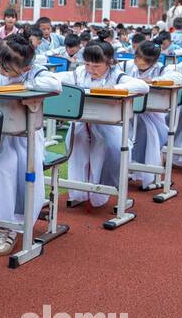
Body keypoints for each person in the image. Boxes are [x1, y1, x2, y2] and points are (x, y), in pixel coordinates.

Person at [0, 33, 62, 254]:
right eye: (0, 66)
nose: (1, 72)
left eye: (7, 69)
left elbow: (55, 84)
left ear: (24, 68)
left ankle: (7, 227)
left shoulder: (35, 73)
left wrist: (26, 86)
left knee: (4, 168)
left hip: (23, 140)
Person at [64, 41, 149, 207]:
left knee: (113, 150)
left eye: (96, 66)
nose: (90, 70)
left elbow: (142, 86)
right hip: (82, 123)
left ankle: (104, 191)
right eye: (87, 64)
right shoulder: (80, 73)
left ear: (109, 62)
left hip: (109, 125)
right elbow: (57, 78)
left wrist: (116, 89)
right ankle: (79, 192)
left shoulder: (116, 75)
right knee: (75, 148)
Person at [123, 40, 182, 188]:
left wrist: (153, 80)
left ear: (153, 62)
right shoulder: (126, 65)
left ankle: (148, 173)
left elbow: (179, 79)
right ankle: (127, 170)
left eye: (143, 63)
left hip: (154, 118)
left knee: (145, 129)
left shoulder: (162, 70)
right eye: (136, 58)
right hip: (129, 114)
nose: (138, 63)